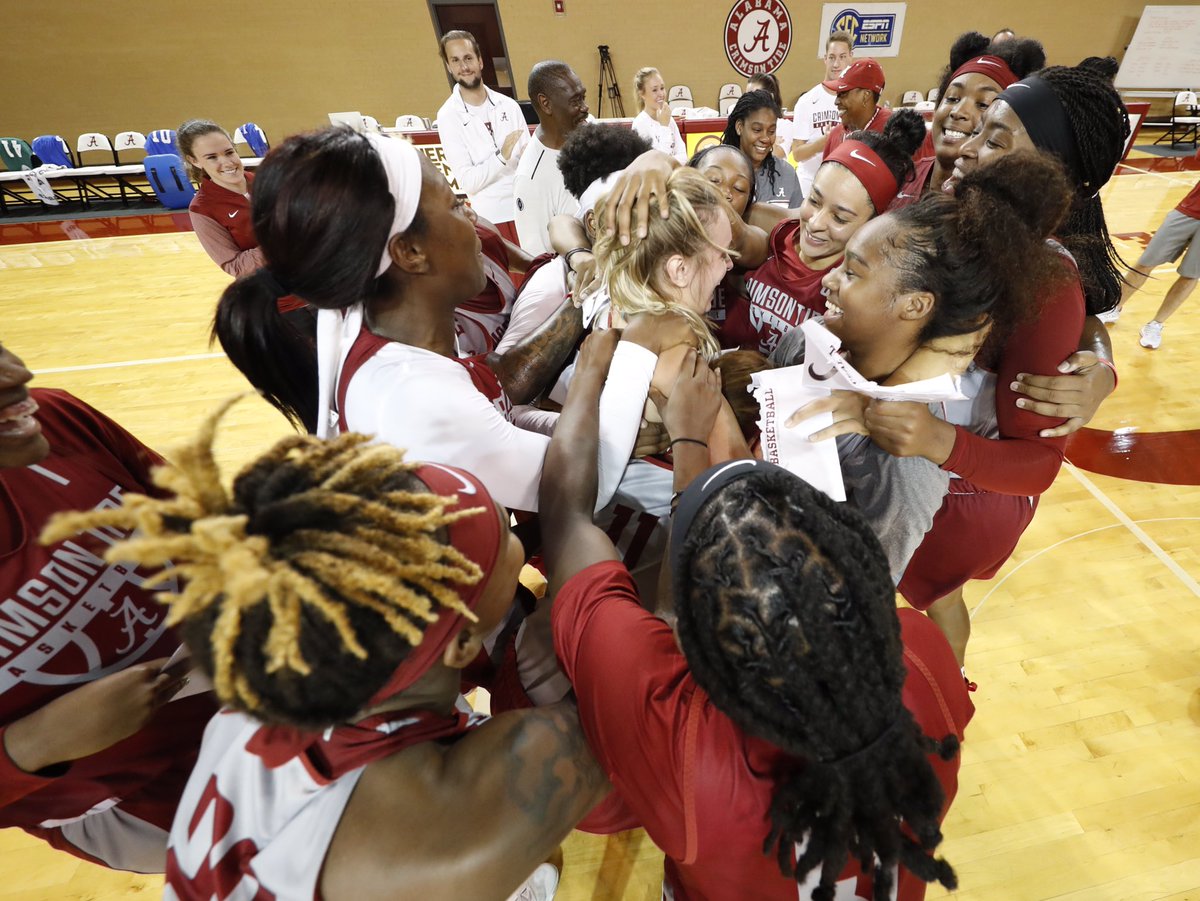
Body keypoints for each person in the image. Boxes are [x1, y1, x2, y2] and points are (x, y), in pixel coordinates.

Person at [42, 397, 616, 901]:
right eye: (508, 539)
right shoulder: (454, 823)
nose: (517, 533)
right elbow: (641, 703)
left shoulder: (278, 675)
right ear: (463, 639)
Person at [540, 343, 973, 901]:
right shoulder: (922, 657)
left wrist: (605, 370)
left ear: (692, 637)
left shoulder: (685, 745)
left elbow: (567, 520)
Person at [212, 128, 649, 518]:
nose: (474, 221)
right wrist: (599, 367)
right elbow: (580, 484)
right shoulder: (413, 397)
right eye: (456, 206)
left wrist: (584, 292)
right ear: (410, 253)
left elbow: (498, 380)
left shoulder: (388, 341)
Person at [883, 63, 1129, 663]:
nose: (967, 141)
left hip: (959, 487)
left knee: (917, 599)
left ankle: (943, 706)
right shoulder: (939, 193)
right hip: (916, 451)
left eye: (995, 138)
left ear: (1044, 175)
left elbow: (1038, 465)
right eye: (964, 110)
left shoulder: (1044, 283)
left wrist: (942, 441)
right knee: (935, 601)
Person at [776, 152, 1075, 584]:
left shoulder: (905, 466)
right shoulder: (805, 341)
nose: (827, 279)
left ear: (915, 304)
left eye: (852, 272)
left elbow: (860, 596)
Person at [0, 341, 214, 873]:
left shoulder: (56, 419)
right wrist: (33, 744)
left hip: (267, 695)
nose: (17, 374)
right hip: (137, 801)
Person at [721, 110, 927, 354]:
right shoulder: (778, 230)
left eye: (839, 217)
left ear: (872, 225)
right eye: (815, 201)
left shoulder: (854, 291)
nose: (816, 223)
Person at [499, 123, 651, 353]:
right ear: (592, 222)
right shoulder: (551, 285)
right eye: (630, 211)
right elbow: (505, 374)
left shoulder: (645, 259)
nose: (644, 224)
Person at [180, 119, 314, 335]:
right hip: (281, 307)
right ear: (194, 160)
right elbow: (235, 266)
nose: (226, 162)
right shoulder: (203, 209)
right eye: (212, 157)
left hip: (322, 291)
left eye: (229, 152)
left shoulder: (268, 181)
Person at [890, 33, 1045, 207]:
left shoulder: (1005, 212)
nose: (958, 112)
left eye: (982, 104)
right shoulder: (896, 178)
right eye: (952, 98)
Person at [434, 30, 528, 243]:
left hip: (526, 210)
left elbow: (527, 162)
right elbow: (469, 182)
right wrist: (501, 157)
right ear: (449, 67)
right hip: (492, 220)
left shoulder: (509, 106)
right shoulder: (448, 116)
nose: (464, 67)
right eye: (455, 60)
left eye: (468, 58)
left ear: (480, 61)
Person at [1100, 178, 1200, 349]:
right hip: (1188, 210)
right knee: (1146, 261)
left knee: (1191, 275)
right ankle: (1115, 307)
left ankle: (1156, 324)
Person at [513, 61, 591, 254]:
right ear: (545, 104)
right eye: (575, 101)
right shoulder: (531, 178)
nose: (585, 108)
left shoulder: (588, 132)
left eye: (583, 97)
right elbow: (538, 260)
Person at [790, 31, 853, 195]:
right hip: (809, 185)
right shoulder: (807, 101)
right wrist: (825, 141)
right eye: (832, 57)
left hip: (843, 186)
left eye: (842, 57)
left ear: (851, 57)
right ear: (825, 59)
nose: (836, 64)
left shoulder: (857, 101)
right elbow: (797, 154)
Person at [721, 91, 803, 209]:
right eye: (757, 130)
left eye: (771, 131)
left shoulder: (786, 173)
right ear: (739, 127)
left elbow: (796, 224)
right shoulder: (717, 170)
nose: (765, 138)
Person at [822, 59, 892, 158]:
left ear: (866, 95)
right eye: (837, 94)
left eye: (843, 94)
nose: (836, 102)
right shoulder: (836, 135)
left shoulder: (896, 132)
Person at [631, 67, 687, 163]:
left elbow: (683, 155)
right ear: (642, 94)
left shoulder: (669, 119)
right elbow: (658, 163)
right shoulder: (640, 124)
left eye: (662, 88)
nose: (661, 94)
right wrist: (664, 126)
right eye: (654, 90)